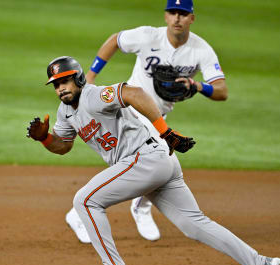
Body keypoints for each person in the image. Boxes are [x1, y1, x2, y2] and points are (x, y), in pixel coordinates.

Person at [26, 55, 280, 265]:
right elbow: (64, 146)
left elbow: (134, 93)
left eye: (65, 81)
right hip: (153, 164)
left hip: (144, 158)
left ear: (79, 78)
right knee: (193, 224)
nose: (60, 88)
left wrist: (165, 130)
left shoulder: (94, 95)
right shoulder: (65, 113)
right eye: (56, 84)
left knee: (85, 200)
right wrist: (45, 138)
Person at [65, 0, 228, 243]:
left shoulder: (201, 50)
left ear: (192, 18)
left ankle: (115, 207)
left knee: (141, 164)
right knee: (152, 161)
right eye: (173, 12)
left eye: (183, 14)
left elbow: (221, 91)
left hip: (157, 116)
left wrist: (198, 85)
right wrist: (89, 76)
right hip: (129, 109)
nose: (177, 18)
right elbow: (115, 41)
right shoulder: (147, 36)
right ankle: (100, 210)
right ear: (165, 16)